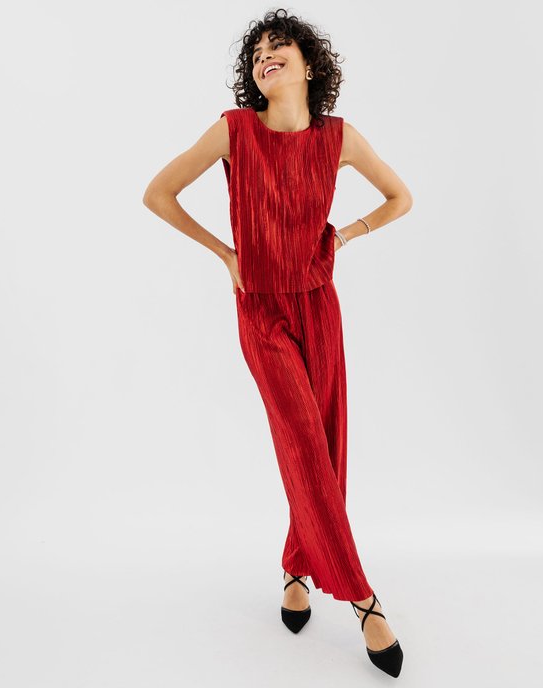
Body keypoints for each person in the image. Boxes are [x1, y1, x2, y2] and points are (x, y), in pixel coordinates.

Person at [143, 8, 412, 678]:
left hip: (320, 305)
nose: (265, 55)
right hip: (261, 312)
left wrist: (344, 234)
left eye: (279, 45)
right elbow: (158, 193)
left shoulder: (339, 138)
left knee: (324, 445)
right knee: (302, 443)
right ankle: (363, 599)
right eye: (257, 51)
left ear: (309, 64)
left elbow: (399, 198)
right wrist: (225, 254)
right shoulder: (234, 130)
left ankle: (296, 568)